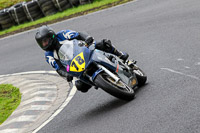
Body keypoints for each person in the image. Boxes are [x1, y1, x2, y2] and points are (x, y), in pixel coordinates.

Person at [35, 25, 129, 93]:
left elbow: (79, 34)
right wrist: (67, 73)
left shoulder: (62, 34)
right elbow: (59, 68)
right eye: (41, 43)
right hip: (75, 67)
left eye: (45, 41)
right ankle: (101, 82)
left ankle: (120, 54)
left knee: (104, 43)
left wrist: (87, 38)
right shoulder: (49, 55)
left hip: (83, 49)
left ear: (51, 35)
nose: (44, 45)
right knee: (80, 86)